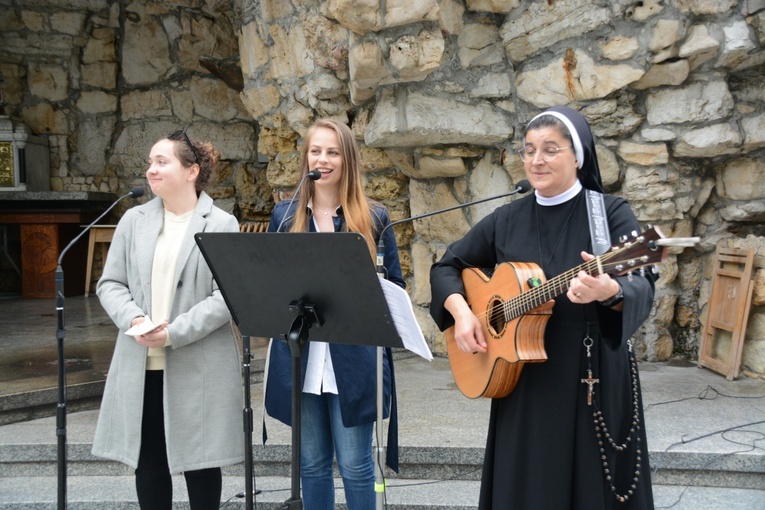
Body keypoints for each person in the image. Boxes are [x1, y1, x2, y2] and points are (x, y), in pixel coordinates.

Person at [429, 105, 656, 509]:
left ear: (577, 156)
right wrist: (462, 312)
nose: (536, 160)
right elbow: (448, 265)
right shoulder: (507, 218)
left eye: (550, 149)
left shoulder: (608, 214)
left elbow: (639, 283)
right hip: (523, 381)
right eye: (529, 150)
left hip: (591, 377)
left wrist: (608, 291)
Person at [92, 130, 244, 510]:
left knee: (200, 464)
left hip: (198, 363)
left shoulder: (221, 223)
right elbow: (110, 283)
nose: (151, 170)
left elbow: (226, 297)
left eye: (161, 162)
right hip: (141, 362)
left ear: (191, 171)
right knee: (150, 466)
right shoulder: (133, 220)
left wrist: (174, 333)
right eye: (149, 163)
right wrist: (136, 319)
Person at [264, 118, 404, 510]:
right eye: (315, 151)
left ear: (348, 160)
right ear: (305, 158)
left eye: (332, 152)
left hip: (354, 359)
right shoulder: (285, 216)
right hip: (303, 358)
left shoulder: (374, 217)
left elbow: (396, 289)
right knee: (312, 464)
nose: (322, 159)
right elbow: (271, 287)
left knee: (357, 465)